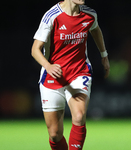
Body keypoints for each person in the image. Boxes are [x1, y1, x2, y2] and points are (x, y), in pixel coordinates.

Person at [31, 0, 110, 149]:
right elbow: (35, 49)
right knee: (54, 134)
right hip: (53, 76)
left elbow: (95, 29)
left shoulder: (89, 14)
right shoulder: (52, 16)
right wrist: (48, 66)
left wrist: (104, 55)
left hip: (79, 73)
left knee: (79, 116)